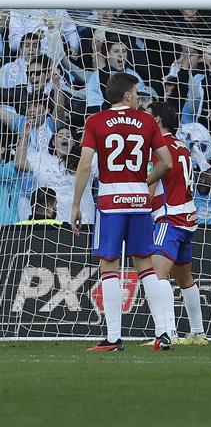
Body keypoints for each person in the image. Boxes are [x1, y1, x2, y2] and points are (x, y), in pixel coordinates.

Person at [71, 73, 175, 352]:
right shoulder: (147, 121)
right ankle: (163, 332)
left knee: (109, 267)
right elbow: (166, 163)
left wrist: (76, 205)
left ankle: (114, 338)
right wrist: (145, 182)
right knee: (145, 266)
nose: (139, 97)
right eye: (137, 92)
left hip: (110, 203)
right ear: (127, 95)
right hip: (140, 203)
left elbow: (83, 166)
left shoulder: (95, 121)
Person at [148, 102, 206, 346]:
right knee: (185, 278)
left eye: (148, 116)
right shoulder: (181, 147)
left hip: (169, 218)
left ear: (158, 120)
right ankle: (197, 332)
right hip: (187, 218)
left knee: (155, 275)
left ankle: (168, 332)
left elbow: (151, 186)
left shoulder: (157, 148)